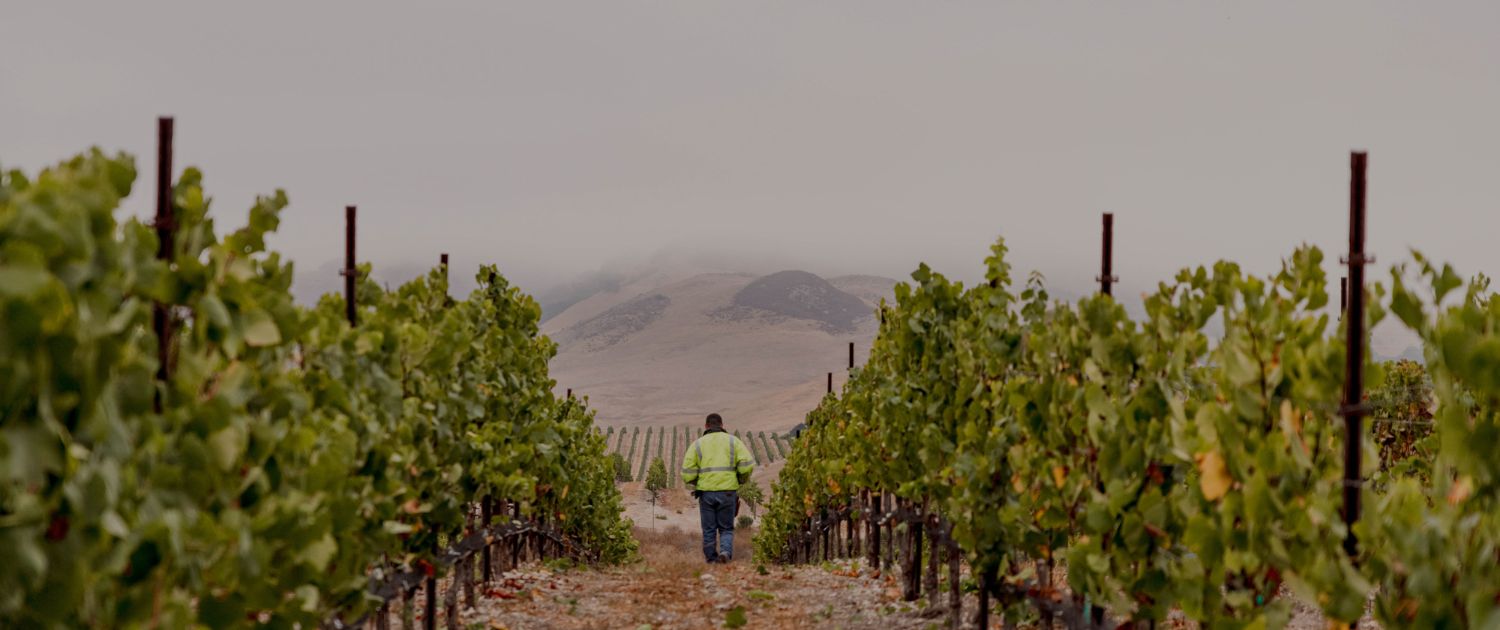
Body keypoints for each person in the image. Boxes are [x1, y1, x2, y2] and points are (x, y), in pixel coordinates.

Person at [681, 413, 755, 564]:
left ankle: (711, 560)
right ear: (722, 425)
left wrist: (697, 481)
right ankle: (725, 553)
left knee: (709, 529)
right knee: (726, 528)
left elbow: (687, 472)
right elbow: (747, 464)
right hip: (728, 492)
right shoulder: (734, 442)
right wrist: (741, 479)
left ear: (706, 426)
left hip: (706, 494)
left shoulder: (697, 444)